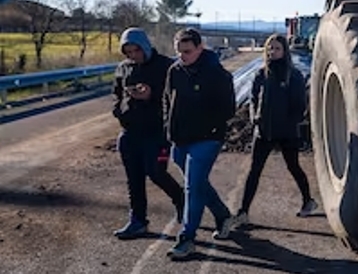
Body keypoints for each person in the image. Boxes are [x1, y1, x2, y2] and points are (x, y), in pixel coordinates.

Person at [163, 27, 239, 259]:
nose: (182, 56)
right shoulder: (175, 71)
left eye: (187, 51)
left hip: (207, 138)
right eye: (179, 51)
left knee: (193, 186)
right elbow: (167, 100)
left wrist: (207, 125)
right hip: (180, 138)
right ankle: (223, 216)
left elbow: (228, 108)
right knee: (197, 183)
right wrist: (169, 126)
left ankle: (187, 238)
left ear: (200, 48)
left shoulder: (217, 74)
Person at [234, 34, 318, 224]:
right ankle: (243, 212)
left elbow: (300, 105)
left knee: (293, 167)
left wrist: (290, 123)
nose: (272, 52)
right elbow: (254, 98)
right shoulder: (261, 74)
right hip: (263, 131)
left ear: (284, 51)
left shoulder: (294, 75)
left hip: (286, 132)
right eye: (270, 48)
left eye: (277, 48)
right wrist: (255, 118)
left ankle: (308, 201)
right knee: (254, 170)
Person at [110, 27, 185, 239]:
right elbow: (116, 94)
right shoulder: (123, 68)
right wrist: (120, 110)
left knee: (156, 172)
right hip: (130, 131)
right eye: (129, 52)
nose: (133, 55)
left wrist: (152, 95)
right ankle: (138, 220)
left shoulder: (165, 66)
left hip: (157, 132)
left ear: (145, 46)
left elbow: (175, 98)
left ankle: (180, 199)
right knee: (134, 178)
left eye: (136, 50)